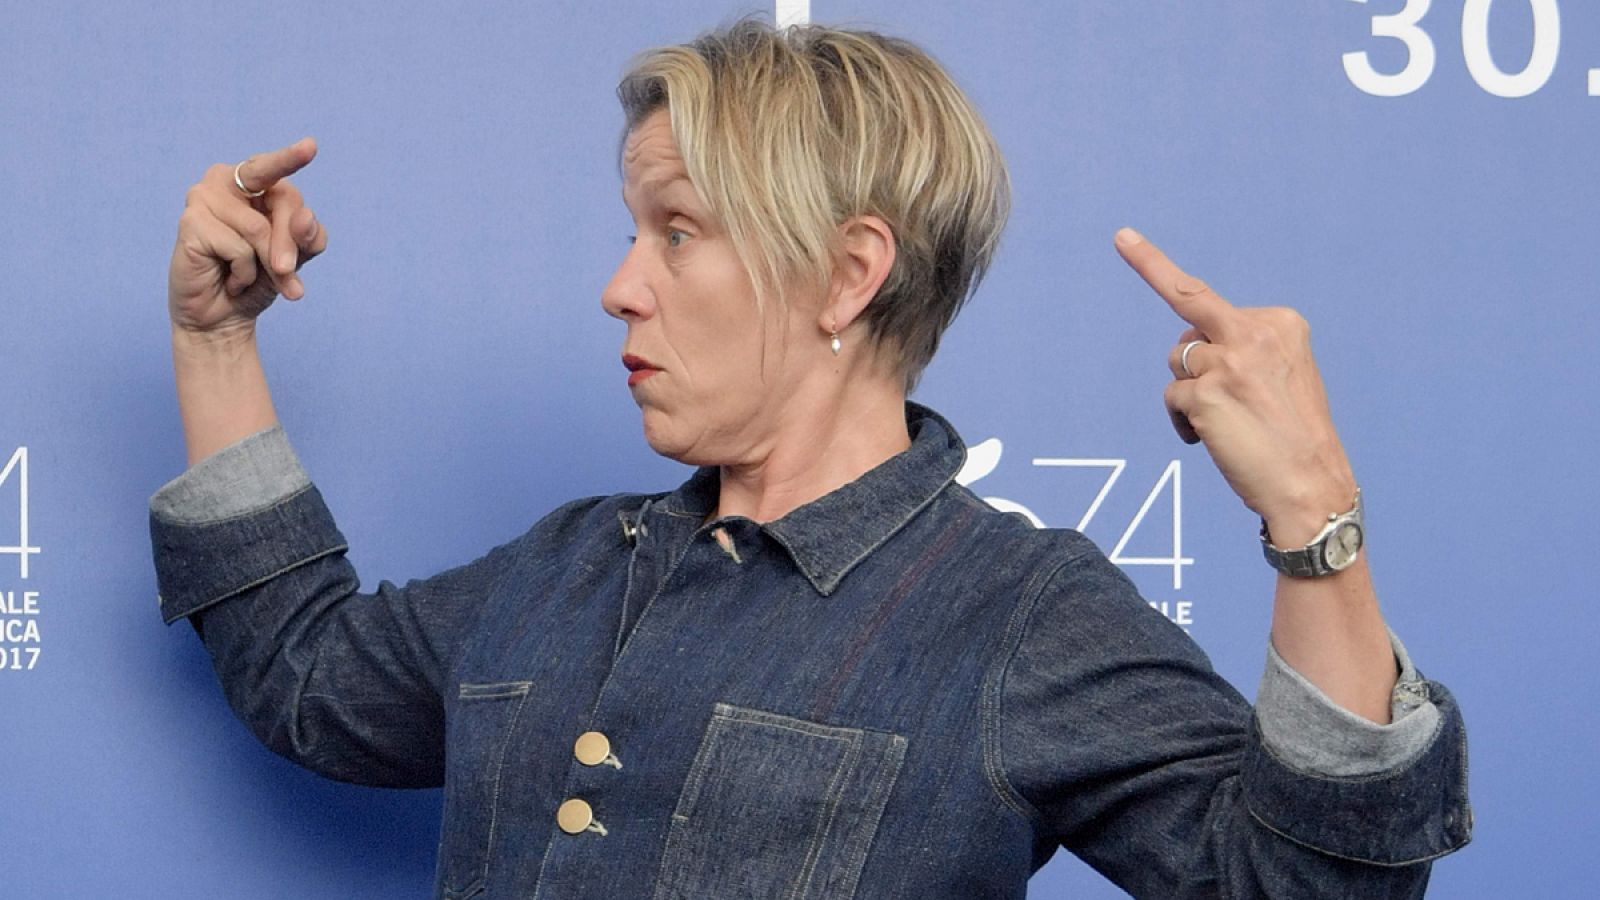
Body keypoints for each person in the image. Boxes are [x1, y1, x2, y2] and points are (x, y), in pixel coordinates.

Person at [152, 19, 1470, 899]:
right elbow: (307, 682)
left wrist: (1313, 515)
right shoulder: (561, 567)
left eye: (677, 231)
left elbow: (1314, 884)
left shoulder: (1020, 615)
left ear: (848, 275)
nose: (620, 286)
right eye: (632, 231)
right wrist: (214, 345)